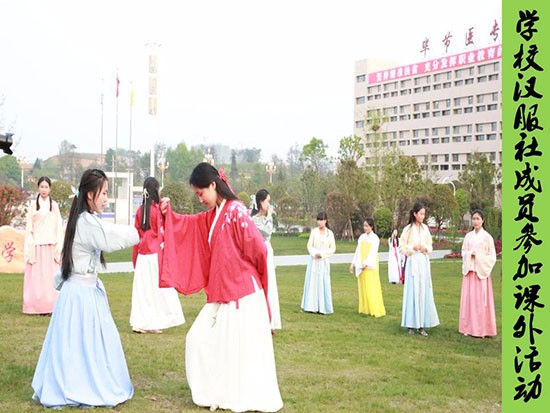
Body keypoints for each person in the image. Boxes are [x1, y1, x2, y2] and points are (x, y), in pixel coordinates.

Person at [159, 163, 283, 412]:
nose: (200, 198)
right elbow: (189, 226)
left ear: (213, 185)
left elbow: (258, 249)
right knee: (200, 339)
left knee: (236, 350)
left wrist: (244, 275)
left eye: (200, 192)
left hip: (243, 294)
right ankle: (218, 391)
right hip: (224, 292)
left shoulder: (235, 211)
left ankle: (231, 394)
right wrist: (168, 214)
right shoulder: (215, 214)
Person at [31, 169, 139, 409]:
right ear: (90, 194)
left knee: (82, 344)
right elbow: (109, 239)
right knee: (82, 345)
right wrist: (138, 231)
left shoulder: (84, 218)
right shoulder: (86, 222)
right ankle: (81, 385)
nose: (105, 198)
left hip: (83, 291)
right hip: (80, 294)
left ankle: (82, 382)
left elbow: (106, 235)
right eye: (103, 193)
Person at [130, 177, 185, 334]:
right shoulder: (156, 211)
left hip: (142, 255)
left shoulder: (140, 211)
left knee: (143, 292)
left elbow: (137, 235)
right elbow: (163, 231)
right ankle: (155, 320)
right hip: (154, 255)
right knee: (158, 290)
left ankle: (140, 322)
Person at [23, 176, 63, 314]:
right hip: (37, 245)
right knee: (37, 278)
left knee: (50, 277)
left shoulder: (54, 206)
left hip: (50, 245)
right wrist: (30, 243)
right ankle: (34, 306)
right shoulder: (33, 206)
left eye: (46, 187)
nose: (44, 190)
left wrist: (58, 245)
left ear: (50, 189)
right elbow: (29, 227)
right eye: (42, 187)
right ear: (38, 188)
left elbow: (58, 226)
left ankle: (51, 306)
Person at [399, 202, 439, 336]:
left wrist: (425, 249)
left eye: (424, 214)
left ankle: (422, 324)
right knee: (412, 292)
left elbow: (430, 245)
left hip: (423, 262)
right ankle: (411, 324)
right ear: (414, 214)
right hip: (413, 263)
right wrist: (412, 248)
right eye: (420, 214)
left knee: (423, 291)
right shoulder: (408, 229)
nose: (422, 216)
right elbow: (402, 247)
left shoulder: (425, 229)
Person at [459, 209, 497, 338]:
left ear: (483, 220)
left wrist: (479, 257)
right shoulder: (468, 236)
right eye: (474, 219)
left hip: (480, 273)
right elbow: (463, 251)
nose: (475, 221)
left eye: (477, 219)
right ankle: (468, 328)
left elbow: (492, 257)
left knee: (480, 302)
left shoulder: (487, 237)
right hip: (470, 272)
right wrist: (470, 255)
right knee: (469, 301)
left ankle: (482, 329)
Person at [251, 189, 282, 331]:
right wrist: (269, 215)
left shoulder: (265, 219)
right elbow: (266, 231)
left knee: (272, 286)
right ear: (260, 202)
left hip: (269, 252)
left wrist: (269, 216)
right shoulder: (254, 220)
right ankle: (262, 321)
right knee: (264, 285)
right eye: (267, 201)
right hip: (261, 253)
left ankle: (271, 322)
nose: (269, 204)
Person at [349, 218, 385, 317]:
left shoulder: (375, 238)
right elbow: (358, 251)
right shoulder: (362, 237)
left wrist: (367, 263)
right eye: (364, 226)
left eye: (367, 226)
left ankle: (375, 308)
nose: (365, 228)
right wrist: (353, 263)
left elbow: (373, 252)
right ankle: (365, 308)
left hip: (370, 265)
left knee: (372, 286)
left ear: (371, 226)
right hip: (361, 263)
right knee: (363, 286)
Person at [301, 211, 336, 315]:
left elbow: (333, 248)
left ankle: (323, 307)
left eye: (321, 220)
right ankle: (311, 306)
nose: (319, 222)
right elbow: (309, 245)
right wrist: (314, 253)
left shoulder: (330, 234)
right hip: (314, 260)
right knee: (313, 281)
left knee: (323, 282)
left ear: (326, 221)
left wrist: (323, 254)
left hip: (323, 261)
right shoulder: (314, 232)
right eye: (318, 220)